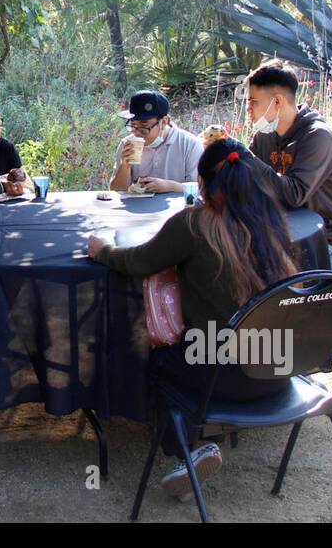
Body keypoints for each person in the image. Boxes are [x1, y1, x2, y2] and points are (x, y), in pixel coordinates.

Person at [87, 138, 299, 497]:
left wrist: (102, 250)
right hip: (283, 368)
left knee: (158, 357)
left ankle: (185, 450)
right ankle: (200, 438)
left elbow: (137, 262)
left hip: (226, 373)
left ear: (202, 183)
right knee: (195, 350)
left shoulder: (195, 223)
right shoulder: (272, 222)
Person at [243, 59, 332, 273]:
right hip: (286, 234)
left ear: (276, 102)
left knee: (257, 275)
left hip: (326, 243)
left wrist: (245, 158)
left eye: (253, 102)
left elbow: (295, 194)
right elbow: (251, 179)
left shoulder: (318, 137)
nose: (248, 109)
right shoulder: (265, 137)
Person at [108, 90, 204, 194]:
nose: (137, 133)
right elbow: (115, 192)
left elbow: (200, 191)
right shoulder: (126, 144)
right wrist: (125, 167)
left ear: (164, 122)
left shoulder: (189, 145)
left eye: (144, 127)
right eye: (133, 126)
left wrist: (170, 186)